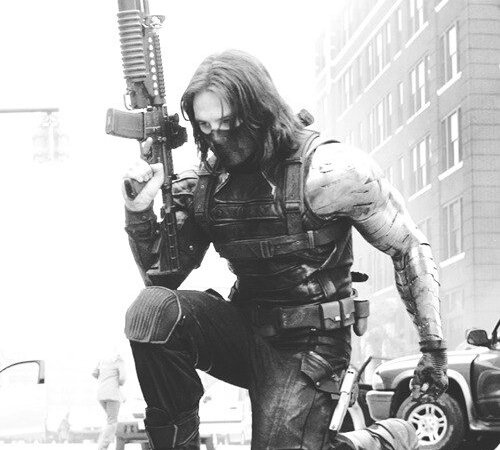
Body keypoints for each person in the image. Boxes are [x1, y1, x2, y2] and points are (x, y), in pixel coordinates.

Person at [122, 49, 448, 449]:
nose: (218, 136)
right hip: (245, 330)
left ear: (259, 111)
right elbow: (161, 277)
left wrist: (433, 347)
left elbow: (407, 245)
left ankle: (379, 442)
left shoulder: (331, 171)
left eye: (228, 122)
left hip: (312, 345)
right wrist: (138, 211)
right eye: (205, 126)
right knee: (151, 312)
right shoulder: (207, 182)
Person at [92, 352, 126, 450]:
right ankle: (102, 447)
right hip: (112, 395)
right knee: (112, 422)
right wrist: (117, 382)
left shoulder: (102, 360)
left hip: (101, 394)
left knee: (109, 421)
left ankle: (102, 443)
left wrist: (105, 379)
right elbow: (123, 378)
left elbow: (94, 373)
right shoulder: (119, 360)